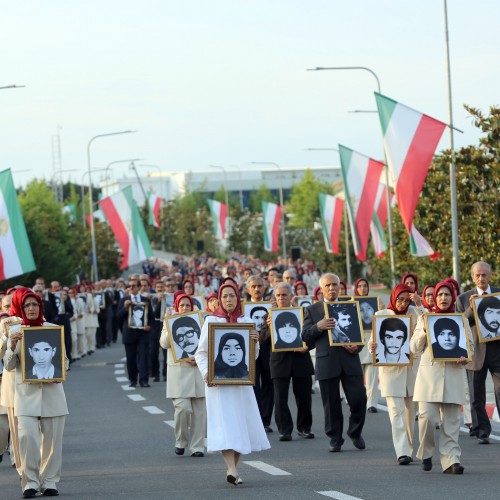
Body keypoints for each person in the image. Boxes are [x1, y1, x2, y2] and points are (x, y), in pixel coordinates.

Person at [195, 282, 270, 485]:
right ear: (220, 299)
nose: (229, 300)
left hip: (241, 384)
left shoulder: (246, 321)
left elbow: (251, 358)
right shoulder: (211, 321)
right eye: (225, 296)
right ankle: (231, 468)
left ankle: (233, 468)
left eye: (232, 296)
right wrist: (206, 374)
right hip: (217, 385)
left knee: (239, 424)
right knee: (225, 425)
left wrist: (255, 342)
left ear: (238, 298)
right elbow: (200, 353)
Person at [4, 289, 68, 498]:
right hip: (25, 395)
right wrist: (12, 345)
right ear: (21, 309)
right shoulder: (16, 331)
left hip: (52, 394)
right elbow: (9, 366)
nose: (31, 309)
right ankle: (29, 482)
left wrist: (61, 372)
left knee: (52, 442)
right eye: (27, 306)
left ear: (40, 307)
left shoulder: (52, 329)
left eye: (35, 305)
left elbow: (64, 361)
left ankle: (50, 481)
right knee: (27, 438)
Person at [411, 281, 473, 474]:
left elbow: (469, 347)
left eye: (447, 294)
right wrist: (424, 330)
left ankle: (451, 460)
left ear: (453, 297)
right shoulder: (424, 319)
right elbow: (414, 349)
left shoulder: (461, 320)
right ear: (434, 298)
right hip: (429, 377)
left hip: (453, 375)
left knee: (452, 422)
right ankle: (427, 452)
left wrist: (466, 358)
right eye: (440, 295)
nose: (443, 298)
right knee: (427, 418)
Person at [302, 273, 367, 452]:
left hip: (350, 360)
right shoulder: (312, 310)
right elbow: (305, 336)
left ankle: (355, 432)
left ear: (339, 286)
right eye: (328, 285)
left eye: (334, 285)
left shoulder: (350, 306)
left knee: (359, 399)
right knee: (331, 404)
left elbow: (359, 335)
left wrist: (357, 347)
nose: (331, 288)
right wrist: (318, 326)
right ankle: (335, 438)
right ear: (321, 289)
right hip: (326, 361)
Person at [369, 284, 422, 465]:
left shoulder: (416, 313)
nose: (403, 303)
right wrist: (373, 347)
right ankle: (402, 451)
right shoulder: (381, 315)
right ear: (394, 297)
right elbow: (372, 344)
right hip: (390, 371)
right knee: (395, 410)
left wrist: (420, 305)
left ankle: (409, 447)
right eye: (400, 299)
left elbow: (428, 326)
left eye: (407, 300)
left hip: (412, 370)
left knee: (410, 412)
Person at [263, 282, 314, 441]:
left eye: (284, 295)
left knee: (304, 397)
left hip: (301, 360)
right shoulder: (270, 315)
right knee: (280, 398)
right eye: (278, 295)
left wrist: (307, 347)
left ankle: (304, 428)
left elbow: (312, 334)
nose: (281, 298)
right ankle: (285, 430)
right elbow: (262, 338)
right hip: (279, 361)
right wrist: (271, 328)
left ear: (291, 296)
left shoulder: (303, 312)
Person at [456, 261, 500, 444]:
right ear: (472, 277)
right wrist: (471, 309)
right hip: (475, 354)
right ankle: (482, 431)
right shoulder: (464, 298)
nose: (481, 278)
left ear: (490, 276)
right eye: (478, 275)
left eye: (484, 275)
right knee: (476, 395)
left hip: (498, 352)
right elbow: (459, 323)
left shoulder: (498, 295)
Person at [160, 293, 206, 457]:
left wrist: (199, 358)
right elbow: (164, 343)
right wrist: (172, 324)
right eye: (182, 306)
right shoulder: (169, 322)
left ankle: (197, 446)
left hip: (197, 371)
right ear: (177, 307)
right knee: (183, 409)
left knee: (199, 412)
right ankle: (181, 440)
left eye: (188, 305)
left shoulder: (201, 321)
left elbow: (207, 344)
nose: (185, 308)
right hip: (179, 373)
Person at [246, 275, 274, 434]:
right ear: (249, 289)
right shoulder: (243, 308)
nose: (257, 289)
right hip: (250, 348)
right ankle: (254, 418)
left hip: (268, 348)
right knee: (253, 384)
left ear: (264, 288)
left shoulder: (271, 307)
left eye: (259, 286)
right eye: (254, 286)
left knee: (269, 384)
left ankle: (265, 420)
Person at [117, 278, 154, 388]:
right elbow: (118, 317)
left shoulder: (145, 300)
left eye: (134, 285)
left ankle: (144, 380)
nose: (131, 287)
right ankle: (133, 380)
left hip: (143, 333)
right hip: (129, 333)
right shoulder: (124, 300)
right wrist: (125, 307)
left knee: (144, 357)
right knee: (131, 358)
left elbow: (151, 317)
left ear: (138, 287)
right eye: (130, 285)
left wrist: (149, 326)